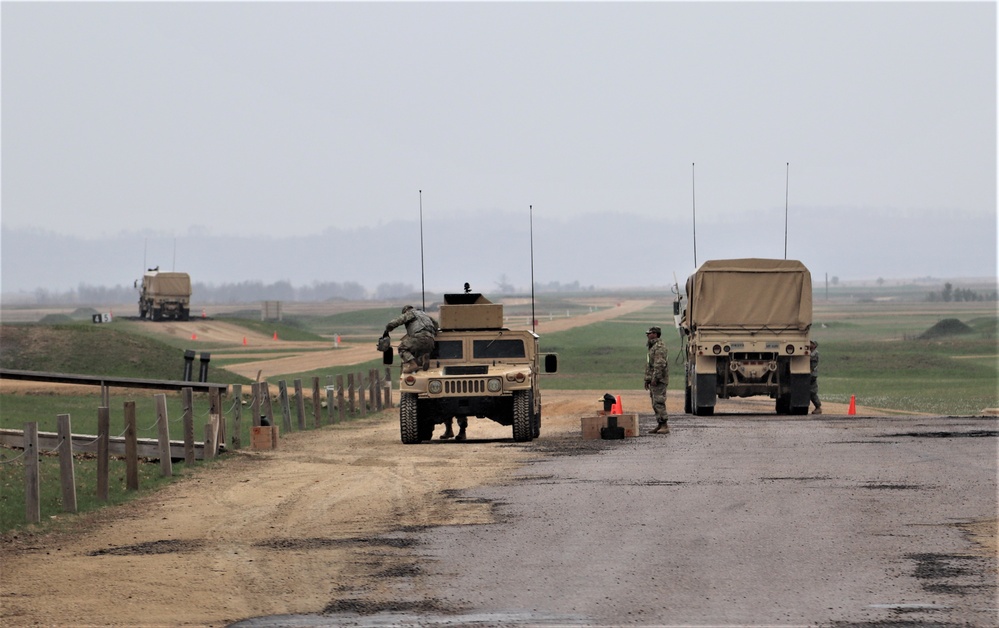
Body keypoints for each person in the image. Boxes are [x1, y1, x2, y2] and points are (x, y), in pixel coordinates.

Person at [383, 305, 439, 374]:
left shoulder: (410, 313)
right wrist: (433, 333)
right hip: (431, 340)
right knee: (420, 348)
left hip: (419, 337)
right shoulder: (425, 315)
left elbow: (398, 321)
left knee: (402, 348)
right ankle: (424, 356)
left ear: (406, 311)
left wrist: (388, 328)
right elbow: (436, 324)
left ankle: (413, 364)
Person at [645, 326, 670, 434]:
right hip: (654, 379)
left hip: (659, 380)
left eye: (649, 333)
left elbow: (659, 364)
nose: (647, 335)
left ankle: (664, 425)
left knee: (659, 401)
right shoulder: (653, 346)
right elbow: (650, 365)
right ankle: (660, 424)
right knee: (655, 402)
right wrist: (647, 379)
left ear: (655, 334)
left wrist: (655, 378)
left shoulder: (659, 347)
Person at [809, 340, 822, 414]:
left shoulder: (815, 353)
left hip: (812, 374)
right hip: (810, 374)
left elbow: (810, 359)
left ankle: (818, 407)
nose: (809, 344)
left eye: (811, 343)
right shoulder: (811, 352)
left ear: (814, 345)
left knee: (812, 392)